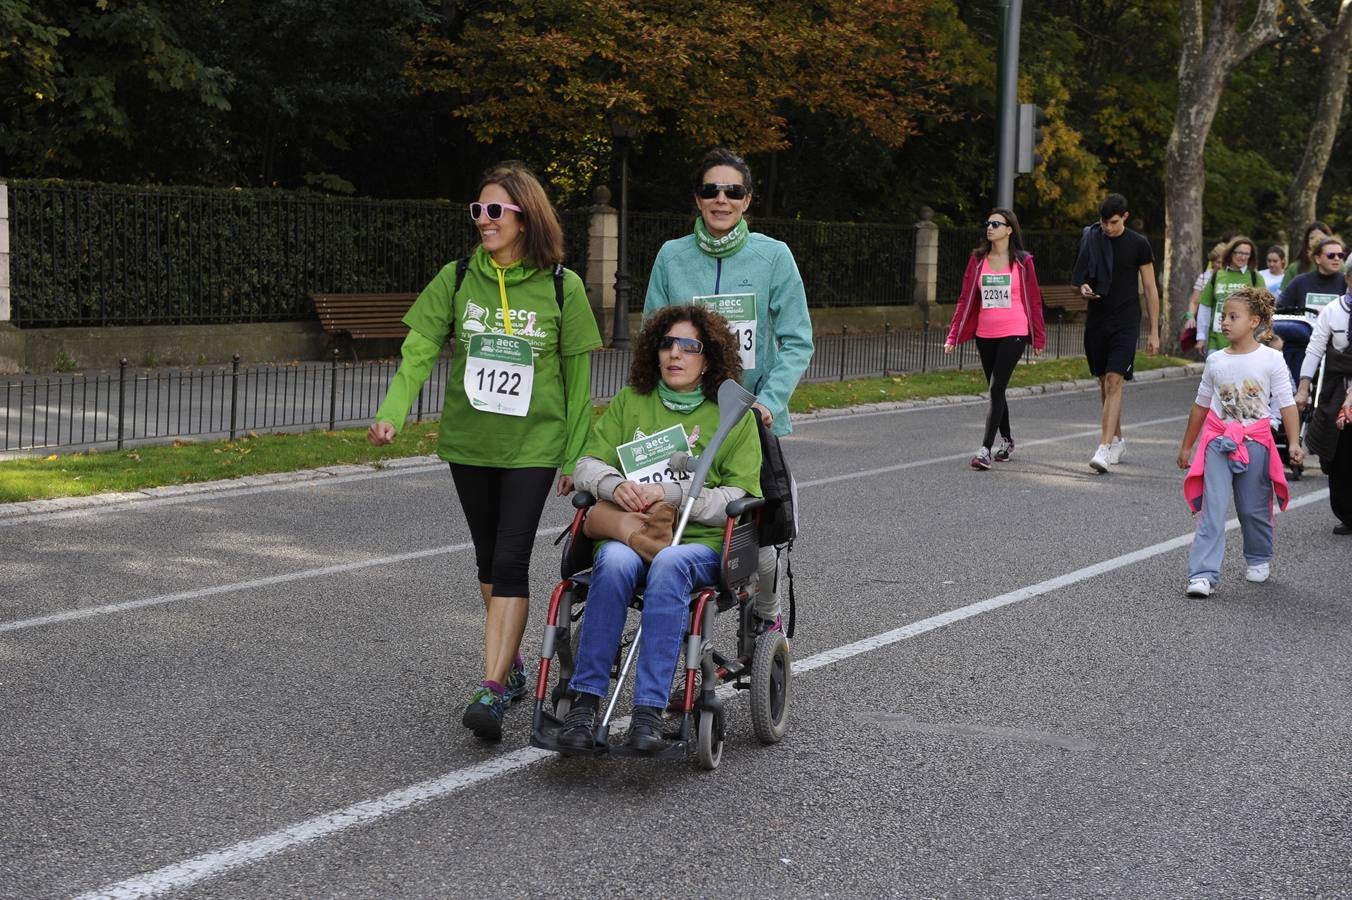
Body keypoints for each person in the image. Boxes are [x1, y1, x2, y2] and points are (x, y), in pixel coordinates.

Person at [367, 162, 602, 741]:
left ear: (525, 217)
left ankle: (492, 688)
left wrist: (574, 456)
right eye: (478, 210)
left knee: (510, 559)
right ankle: (515, 666)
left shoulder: (560, 286)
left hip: (534, 445)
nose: (483, 220)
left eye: (495, 210)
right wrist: (391, 414)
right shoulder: (456, 277)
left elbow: (579, 381)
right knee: (485, 559)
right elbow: (418, 350)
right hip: (471, 442)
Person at [557, 305, 763, 753]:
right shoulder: (632, 401)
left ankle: (648, 711)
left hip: (700, 543)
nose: (675, 354)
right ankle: (584, 702)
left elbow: (739, 496)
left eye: (689, 346)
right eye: (668, 343)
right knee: (610, 560)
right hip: (636, 530)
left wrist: (675, 494)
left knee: (670, 564)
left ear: (708, 359)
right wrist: (615, 484)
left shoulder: (733, 416)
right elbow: (588, 463)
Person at [643, 148, 813, 633]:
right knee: (681, 521)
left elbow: (798, 340)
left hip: (751, 417)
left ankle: (765, 613)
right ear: (697, 199)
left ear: (747, 199)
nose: (722, 199)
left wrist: (770, 400)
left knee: (756, 535)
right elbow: (651, 337)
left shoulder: (773, 256)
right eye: (711, 190)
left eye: (733, 191)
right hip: (686, 415)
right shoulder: (672, 257)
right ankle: (686, 641)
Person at [1177, 287, 1300, 597]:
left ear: (1254, 321)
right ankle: (1202, 574)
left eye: (1234, 317)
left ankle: (1258, 557)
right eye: (1223, 316)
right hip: (1218, 442)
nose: (1226, 322)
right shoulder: (1216, 360)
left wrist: (1295, 443)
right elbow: (1201, 405)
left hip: (1256, 442)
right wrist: (1187, 446)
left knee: (1252, 507)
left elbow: (1286, 404)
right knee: (1213, 509)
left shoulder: (1271, 359)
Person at [943, 208, 1047, 469]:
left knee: (996, 388)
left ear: (1009, 229)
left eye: (996, 224)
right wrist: (953, 335)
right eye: (988, 223)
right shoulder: (978, 260)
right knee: (996, 389)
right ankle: (1008, 440)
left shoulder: (1023, 261)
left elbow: (1034, 301)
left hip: (1015, 331)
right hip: (985, 333)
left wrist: (1039, 338)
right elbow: (965, 299)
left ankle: (985, 450)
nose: (990, 228)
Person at [1070, 193, 1161, 473]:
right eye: (1103, 222)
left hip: (1126, 319)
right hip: (1098, 318)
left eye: (1112, 222)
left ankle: (1103, 447)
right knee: (1104, 383)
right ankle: (1117, 439)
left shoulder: (1139, 244)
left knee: (1114, 380)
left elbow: (1149, 288)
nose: (1107, 228)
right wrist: (1083, 287)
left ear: (1125, 217)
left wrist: (1154, 331)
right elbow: (1080, 278)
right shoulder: (1092, 237)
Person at [1294, 256, 1352, 535]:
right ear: (1348, 279)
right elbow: (1315, 350)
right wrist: (1304, 387)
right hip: (1337, 389)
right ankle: (1346, 513)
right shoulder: (1332, 310)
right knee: (1337, 454)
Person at [1195, 236, 1264, 355]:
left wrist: (1262, 335)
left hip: (1245, 344)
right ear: (1230, 253)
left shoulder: (1255, 277)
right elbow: (1205, 307)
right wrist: (1201, 337)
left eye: (1247, 254)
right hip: (1216, 341)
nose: (1243, 257)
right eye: (1239, 253)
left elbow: (1263, 309)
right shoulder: (1217, 276)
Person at [1279, 220, 1331, 291]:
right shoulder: (1294, 268)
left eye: (1321, 238)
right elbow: (1283, 295)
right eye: (1312, 238)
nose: (1316, 241)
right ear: (1306, 241)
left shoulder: (1337, 265)